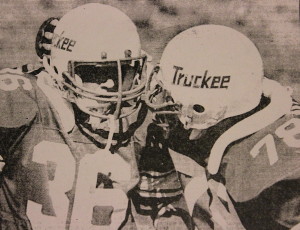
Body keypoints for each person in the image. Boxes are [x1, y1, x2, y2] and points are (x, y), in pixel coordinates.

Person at [0, 3, 149, 229]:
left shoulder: (143, 117)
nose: (110, 84)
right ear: (58, 69)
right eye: (94, 72)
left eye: (123, 71)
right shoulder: (24, 100)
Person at [145, 24, 300, 229]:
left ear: (204, 109)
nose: (165, 105)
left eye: (173, 101)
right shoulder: (252, 108)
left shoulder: (274, 174)